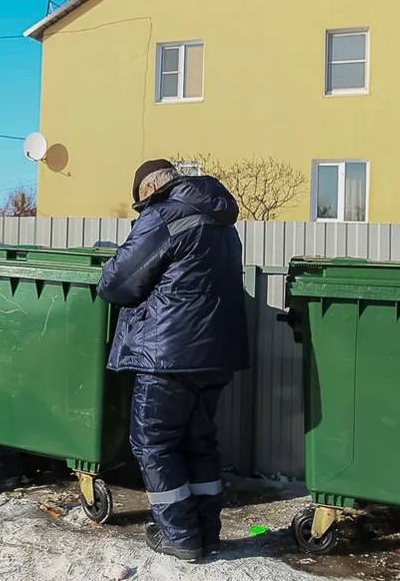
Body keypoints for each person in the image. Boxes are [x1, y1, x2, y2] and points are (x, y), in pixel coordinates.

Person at [98, 159, 249, 561]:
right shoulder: (222, 221)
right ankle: (205, 531)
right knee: (198, 442)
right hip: (217, 354)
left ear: (147, 190)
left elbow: (116, 283)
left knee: (154, 444)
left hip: (167, 355)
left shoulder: (163, 215)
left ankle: (180, 536)